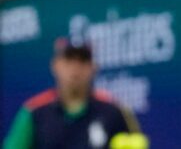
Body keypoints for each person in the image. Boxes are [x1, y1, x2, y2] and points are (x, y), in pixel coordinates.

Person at [3, 38, 143, 149]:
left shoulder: (114, 110)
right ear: (55, 65)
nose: (75, 68)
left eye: (83, 61)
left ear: (93, 68)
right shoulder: (34, 111)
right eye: (69, 60)